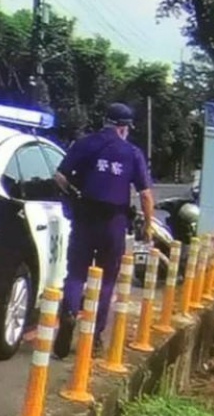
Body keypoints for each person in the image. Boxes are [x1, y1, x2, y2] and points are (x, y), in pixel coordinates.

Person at [53, 102, 155, 358]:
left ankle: (68, 314)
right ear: (123, 128)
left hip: (85, 217)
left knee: (76, 274)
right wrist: (149, 225)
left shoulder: (85, 144)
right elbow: (145, 195)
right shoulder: (132, 153)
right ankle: (95, 335)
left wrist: (74, 195)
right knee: (107, 279)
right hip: (114, 222)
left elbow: (59, 176)